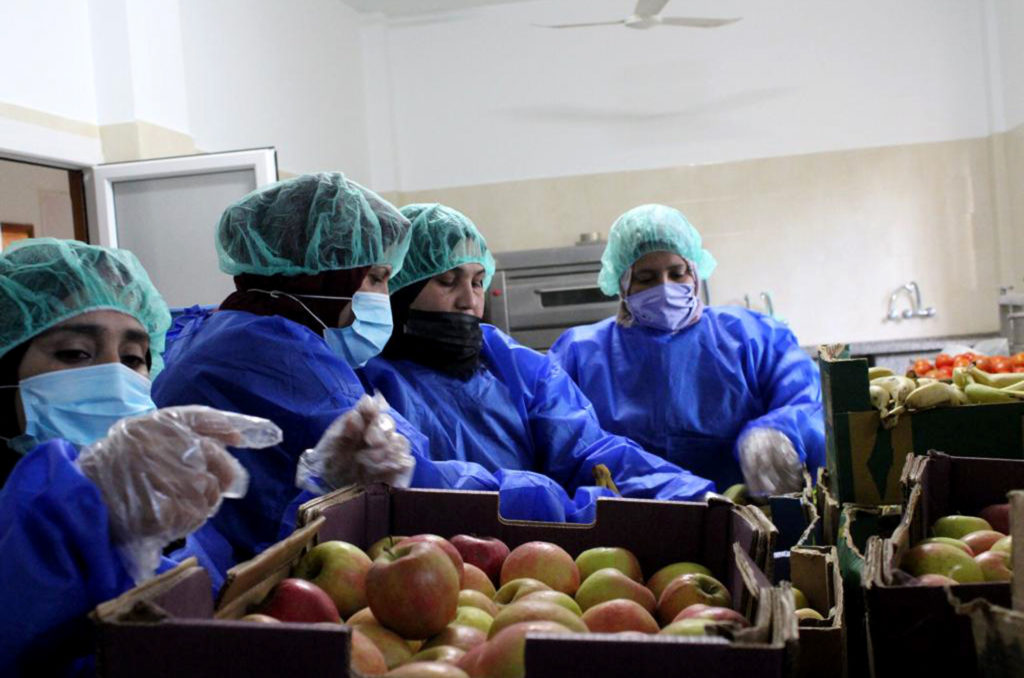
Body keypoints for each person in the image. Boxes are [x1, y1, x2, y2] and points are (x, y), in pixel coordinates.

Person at [153, 173, 542, 562]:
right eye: (375, 278)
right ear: (323, 277)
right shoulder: (292, 363)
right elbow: (425, 482)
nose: (384, 298)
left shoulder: (225, 330)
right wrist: (558, 502)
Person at [0, 238, 281, 676]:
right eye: (75, 353)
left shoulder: (158, 501)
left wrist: (325, 483)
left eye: (133, 358)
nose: (114, 376)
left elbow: (219, 596)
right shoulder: (21, 524)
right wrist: (77, 507)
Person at [358, 203, 714, 521]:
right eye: (447, 281)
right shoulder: (370, 381)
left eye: (479, 282)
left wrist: (682, 492)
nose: (469, 301)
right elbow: (422, 480)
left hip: (541, 570)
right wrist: (556, 507)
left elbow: (587, 451)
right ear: (400, 288)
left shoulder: (512, 366)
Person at [547, 204, 825, 497]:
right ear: (623, 284)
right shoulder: (579, 354)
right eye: (646, 278)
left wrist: (781, 432)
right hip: (631, 523)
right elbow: (565, 440)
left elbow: (810, 402)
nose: (665, 288)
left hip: (752, 520)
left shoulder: (753, 337)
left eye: (677, 273)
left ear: (695, 273)